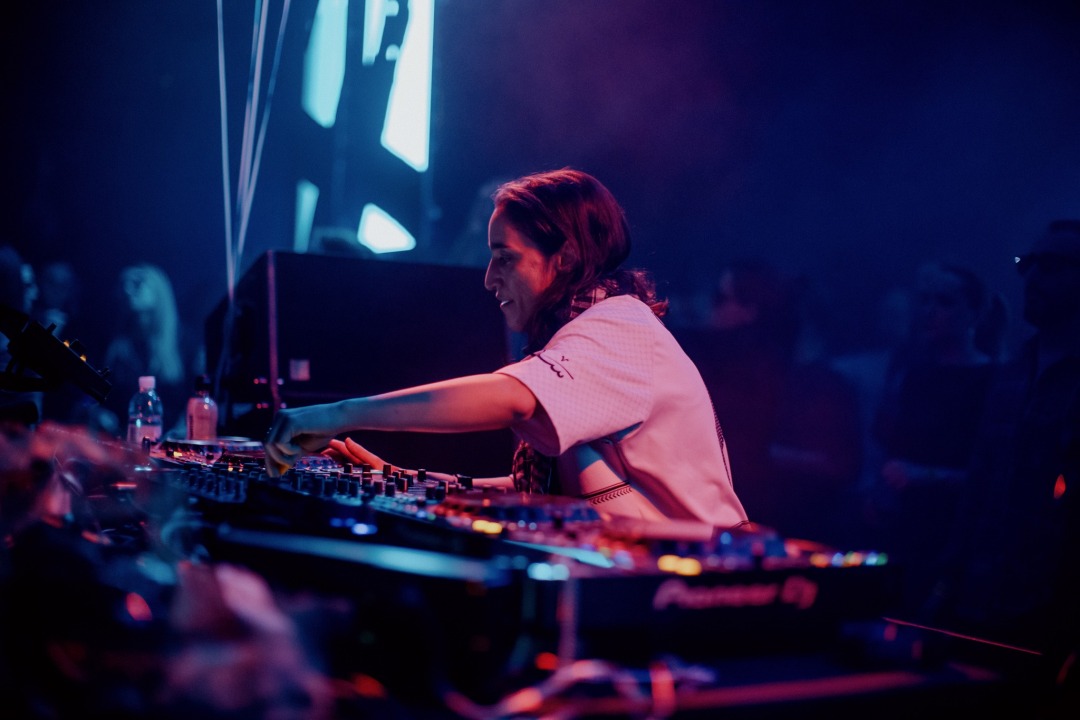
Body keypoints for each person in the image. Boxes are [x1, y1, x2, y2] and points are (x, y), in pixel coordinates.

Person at [265, 168, 748, 528]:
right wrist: (403, 478)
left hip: (701, 592)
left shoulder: (620, 328)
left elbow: (513, 397)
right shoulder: (596, 329)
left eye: (505, 258)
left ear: (566, 257)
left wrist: (337, 414)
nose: (489, 278)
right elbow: (535, 493)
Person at [926, 221, 1080, 709]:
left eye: (1051, 266)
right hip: (979, 598)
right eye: (1027, 264)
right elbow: (981, 482)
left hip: (1053, 611)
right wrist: (948, 579)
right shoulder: (1012, 373)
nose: (1032, 276)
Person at [866, 261, 1003, 617]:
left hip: (956, 531)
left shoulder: (994, 382)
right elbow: (890, 444)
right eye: (924, 300)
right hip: (904, 524)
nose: (929, 311)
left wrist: (925, 475)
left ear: (975, 313)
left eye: (944, 301)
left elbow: (996, 473)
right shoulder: (913, 375)